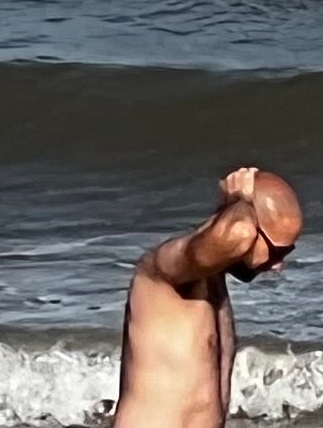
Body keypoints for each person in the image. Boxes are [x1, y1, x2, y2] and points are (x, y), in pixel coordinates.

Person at [112, 164, 304, 428]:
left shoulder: (213, 281)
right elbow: (238, 233)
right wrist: (238, 199)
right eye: (276, 251)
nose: (278, 265)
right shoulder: (166, 269)